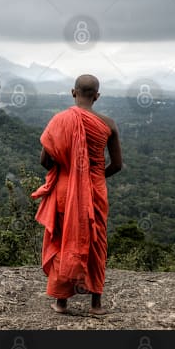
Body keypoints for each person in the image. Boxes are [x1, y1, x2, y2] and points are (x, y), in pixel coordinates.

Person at [31, 74, 122, 315]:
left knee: (62, 239)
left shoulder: (59, 120)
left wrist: (70, 173)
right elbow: (117, 165)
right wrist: (93, 177)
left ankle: (61, 302)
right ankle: (96, 304)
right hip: (95, 190)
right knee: (96, 242)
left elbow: (44, 160)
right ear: (97, 96)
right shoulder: (109, 124)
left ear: (73, 92)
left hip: (64, 189)